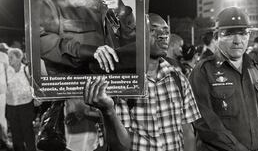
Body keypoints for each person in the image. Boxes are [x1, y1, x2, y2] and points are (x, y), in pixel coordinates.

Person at [83, 13, 201, 151]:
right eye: (153, 30)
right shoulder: (124, 83)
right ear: (137, 37)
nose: (163, 35)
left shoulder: (179, 79)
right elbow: (120, 147)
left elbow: (187, 133)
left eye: (166, 31)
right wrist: (108, 111)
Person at [189, 6, 258, 151]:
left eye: (243, 33)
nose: (238, 41)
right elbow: (205, 122)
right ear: (216, 37)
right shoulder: (203, 72)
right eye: (229, 34)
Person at [5, 48, 35, 151]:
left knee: (28, 131)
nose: (9, 60)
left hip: (26, 105)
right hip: (11, 105)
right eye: (8, 57)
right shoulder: (6, 71)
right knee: (15, 132)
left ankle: (31, 149)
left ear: (19, 58)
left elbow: (34, 86)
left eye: (11, 57)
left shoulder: (26, 70)